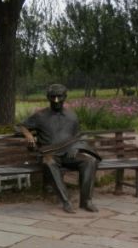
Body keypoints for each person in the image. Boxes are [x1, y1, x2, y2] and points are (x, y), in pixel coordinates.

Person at [16, 83, 101, 213]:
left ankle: (86, 201)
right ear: (48, 97)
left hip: (68, 154)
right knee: (49, 162)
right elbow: (19, 126)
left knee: (90, 161)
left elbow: (78, 136)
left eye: (59, 96)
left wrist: (76, 148)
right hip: (50, 154)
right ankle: (66, 201)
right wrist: (28, 134)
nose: (56, 100)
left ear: (65, 97)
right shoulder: (40, 116)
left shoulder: (72, 116)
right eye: (53, 96)